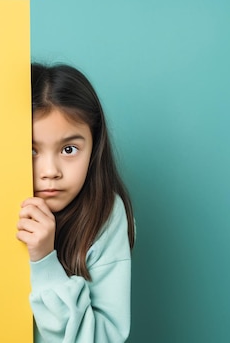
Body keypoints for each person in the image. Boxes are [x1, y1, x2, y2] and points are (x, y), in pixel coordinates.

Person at [16, 63, 136, 343]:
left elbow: (104, 338)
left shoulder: (105, 215)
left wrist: (45, 262)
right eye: (31, 150)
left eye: (69, 149)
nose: (50, 171)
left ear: (94, 148)